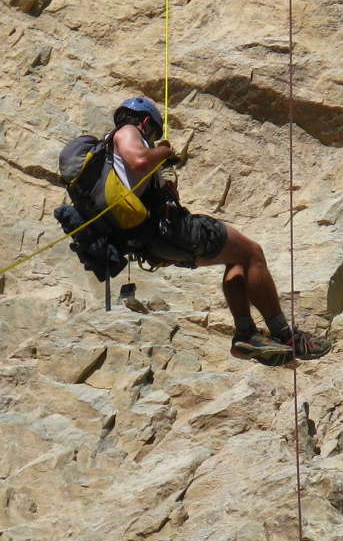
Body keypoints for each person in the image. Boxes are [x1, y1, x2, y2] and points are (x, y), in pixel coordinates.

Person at [107, 96, 329, 364]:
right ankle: (285, 336)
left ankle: (247, 334)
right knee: (253, 253)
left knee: (237, 259)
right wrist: (164, 151)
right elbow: (140, 161)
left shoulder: (110, 159)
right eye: (153, 133)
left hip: (155, 241)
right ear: (145, 122)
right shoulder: (127, 132)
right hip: (171, 230)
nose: (152, 140)